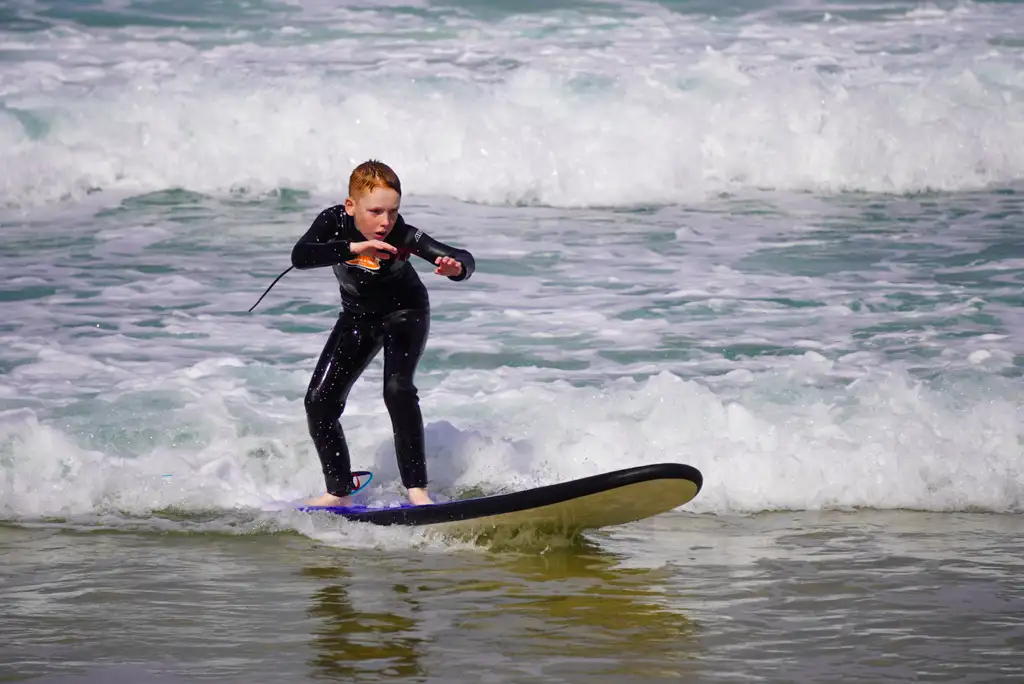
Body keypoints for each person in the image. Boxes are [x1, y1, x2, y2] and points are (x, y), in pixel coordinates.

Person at [289, 160, 475, 508]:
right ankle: (340, 489)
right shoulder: (334, 221)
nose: (385, 222)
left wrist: (457, 268)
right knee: (319, 402)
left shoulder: (400, 233)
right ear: (351, 206)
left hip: (405, 312)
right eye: (375, 211)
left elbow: (460, 257)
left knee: (397, 390)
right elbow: (301, 256)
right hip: (357, 317)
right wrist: (353, 248)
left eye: (393, 211)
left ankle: (417, 490)